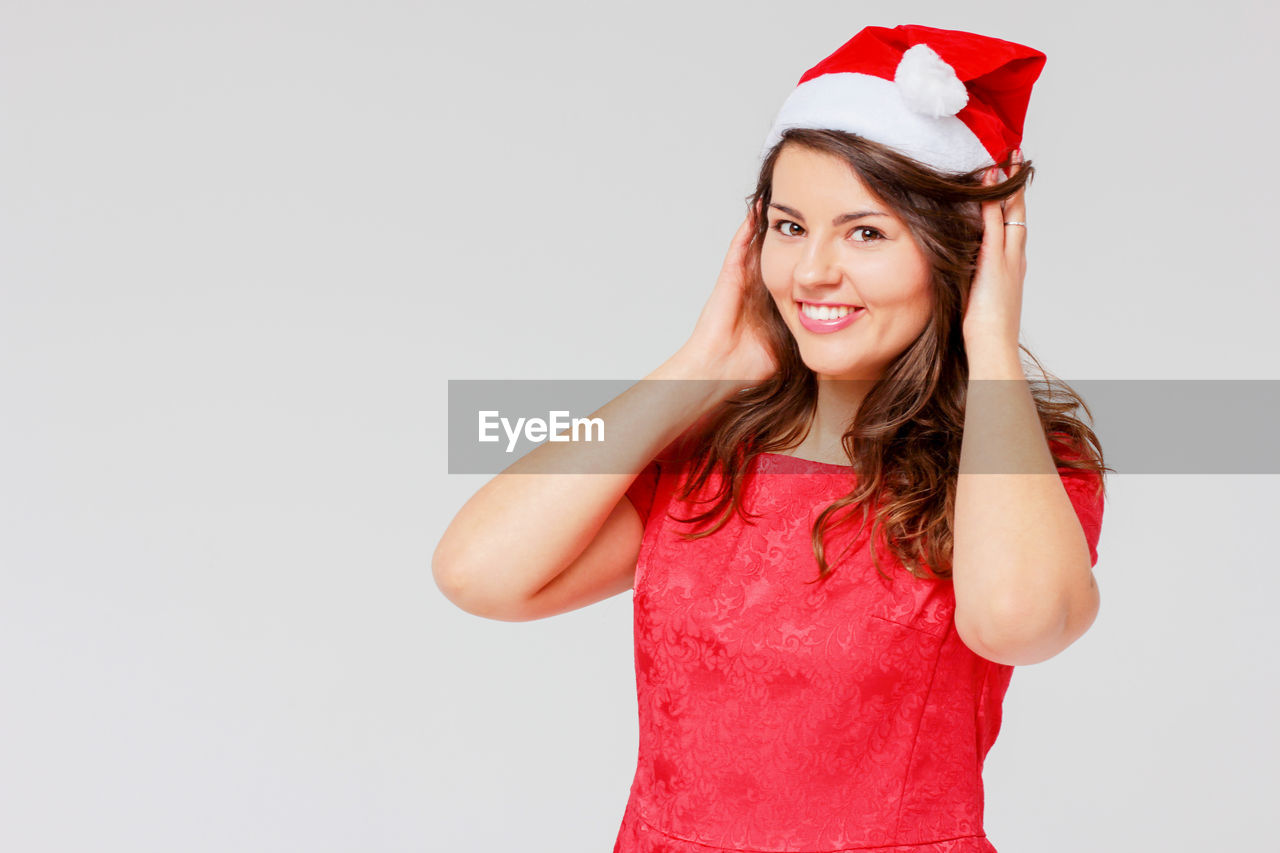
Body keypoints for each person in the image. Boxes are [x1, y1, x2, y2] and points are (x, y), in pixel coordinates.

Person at [434, 23, 1109, 853]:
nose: (812, 270)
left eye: (865, 232)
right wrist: (701, 363)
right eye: (790, 226)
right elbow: (479, 573)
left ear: (957, 250)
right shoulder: (707, 454)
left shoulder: (1020, 465)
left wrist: (993, 338)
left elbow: (1019, 621)